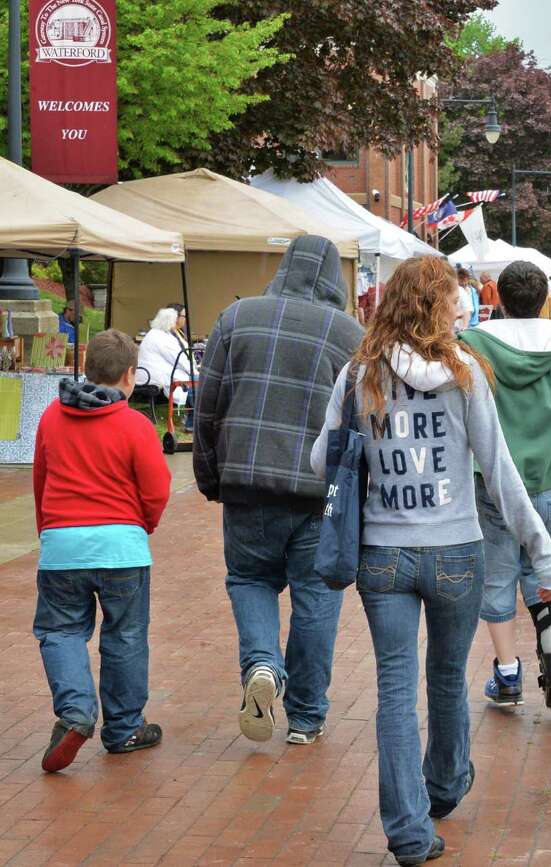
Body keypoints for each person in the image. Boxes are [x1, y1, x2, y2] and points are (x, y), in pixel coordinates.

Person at [310, 257, 551, 866]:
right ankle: (445, 786)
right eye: (454, 301)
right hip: (456, 547)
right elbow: (500, 475)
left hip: (382, 553)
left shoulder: (358, 375)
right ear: (434, 306)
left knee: (395, 691)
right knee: (448, 678)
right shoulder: (466, 375)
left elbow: (323, 461)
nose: (462, 311)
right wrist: (545, 556)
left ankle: (407, 830)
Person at [193, 235, 363, 747]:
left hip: (245, 481)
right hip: (320, 492)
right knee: (317, 595)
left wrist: (210, 475)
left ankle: (262, 664)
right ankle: (307, 716)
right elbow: (359, 425)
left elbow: (207, 407)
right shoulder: (349, 334)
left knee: (249, 579)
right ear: (336, 277)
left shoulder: (236, 317)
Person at [461, 261, 551, 711]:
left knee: (500, 572)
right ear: (546, 298)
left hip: (493, 483)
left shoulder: (474, 344)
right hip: (550, 478)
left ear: (500, 300)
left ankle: (507, 673)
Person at [33, 329, 171, 772]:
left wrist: (48, 530)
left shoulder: (52, 416)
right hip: (122, 548)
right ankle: (125, 727)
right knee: (125, 636)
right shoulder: (135, 424)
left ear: (88, 369)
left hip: (62, 546)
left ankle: (75, 710)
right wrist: (141, 526)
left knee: (61, 631)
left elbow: (41, 479)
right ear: (130, 376)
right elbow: (156, 489)